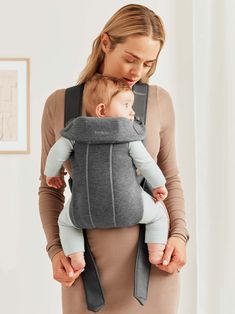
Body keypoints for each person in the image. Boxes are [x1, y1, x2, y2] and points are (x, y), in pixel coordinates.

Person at [38, 4, 189, 313]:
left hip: (152, 269)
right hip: (83, 269)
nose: (138, 72)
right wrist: (55, 250)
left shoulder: (158, 100)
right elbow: (49, 188)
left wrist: (179, 235)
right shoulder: (59, 104)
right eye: (130, 59)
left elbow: (169, 176)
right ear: (106, 43)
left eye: (148, 63)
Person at [44, 74, 169, 273]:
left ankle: (76, 259)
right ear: (101, 109)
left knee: (65, 223)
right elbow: (146, 164)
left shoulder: (75, 133)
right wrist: (159, 185)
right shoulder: (129, 136)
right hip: (129, 206)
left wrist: (52, 174)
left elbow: (56, 153)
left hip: (85, 209)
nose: (132, 111)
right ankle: (155, 252)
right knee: (159, 216)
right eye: (127, 105)